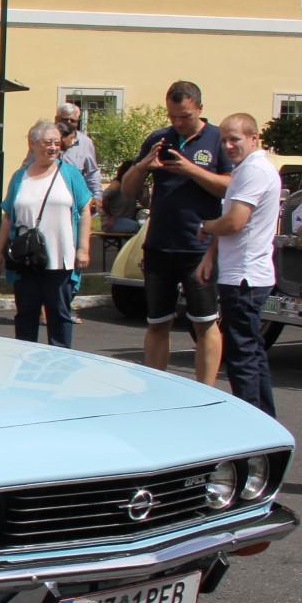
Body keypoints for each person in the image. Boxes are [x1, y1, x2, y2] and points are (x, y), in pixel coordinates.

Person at [119, 80, 233, 384]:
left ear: (199, 108)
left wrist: (189, 169)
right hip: (159, 246)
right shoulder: (159, 138)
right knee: (157, 323)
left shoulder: (218, 139)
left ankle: (206, 391)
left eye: (184, 116)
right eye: (172, 117)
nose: (178, 123)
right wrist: (144, 165)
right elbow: (128, 191)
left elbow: (230, 185)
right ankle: (156, 389)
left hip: (199, 248)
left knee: (205, 323)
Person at [197, 113, 281, 416]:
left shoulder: (254, 171)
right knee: (252, 353)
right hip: (243, 273)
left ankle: (252, 424)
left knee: (242, 357)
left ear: (254, 138)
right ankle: (265, 419)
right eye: (224, 140)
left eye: (236, 139)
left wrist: (206, 226)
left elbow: (234, 222)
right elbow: (235, 224)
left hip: (245, 278)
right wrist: (211, 256)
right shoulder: (247, 169)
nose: (229, 145)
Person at [0, 121, 92, 347]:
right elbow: (8, 216)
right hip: (26, 261)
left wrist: (83, 248)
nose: (54, 147)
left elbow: (85, 209)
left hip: (61, 259)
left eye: (57, 142)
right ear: (33, 144)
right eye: (48, 142)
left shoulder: (70, 174)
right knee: (26, 316)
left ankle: (61, 365)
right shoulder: (20, 177)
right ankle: (25, 364)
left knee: (60, 315)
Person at [100, 160, 148, 233]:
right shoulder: (117, 185)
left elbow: (146, 204)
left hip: (127, 221)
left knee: (147, 227)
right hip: (112, 222)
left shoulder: (134, 187)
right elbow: (104, 198)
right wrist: (110, 216)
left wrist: (145, 186)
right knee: (139, 227)